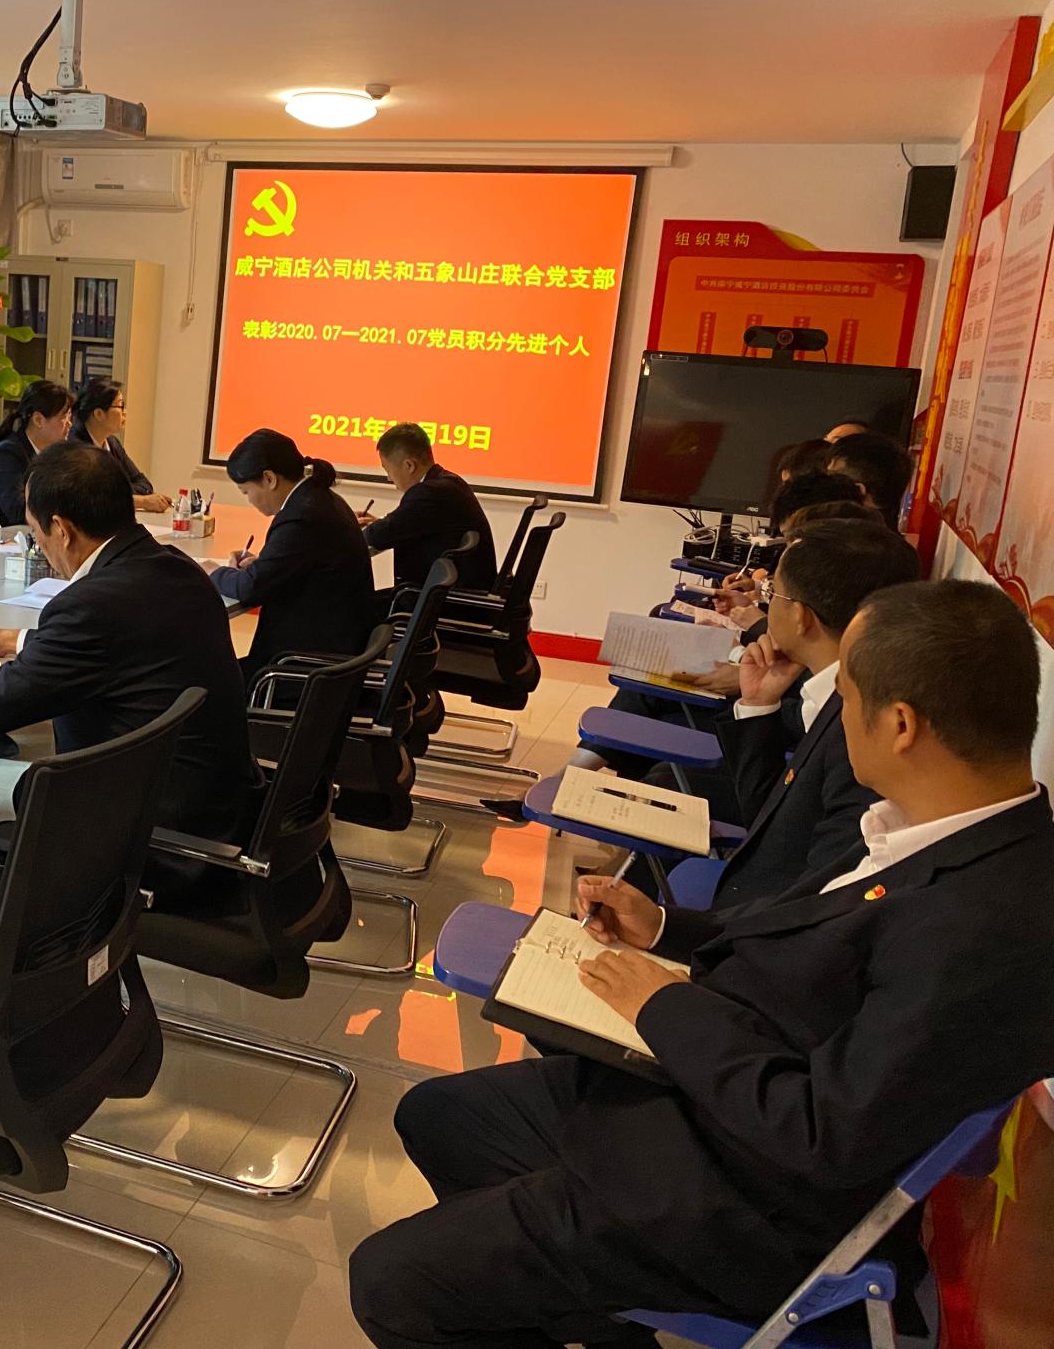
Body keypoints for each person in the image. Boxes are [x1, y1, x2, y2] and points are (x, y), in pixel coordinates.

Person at [349, 578, 1054, 1349]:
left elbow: (822, 1134)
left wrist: (660, 1004)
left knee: (392, 1285)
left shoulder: (985, 921)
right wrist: (663, 929)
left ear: (901, 725)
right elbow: (801, 947)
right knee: (439, 1118)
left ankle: (566, 1279)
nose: (836, 717)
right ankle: (586, 1313)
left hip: (741, 1204)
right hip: (705, 1105)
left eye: (847, 699)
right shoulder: (938, 837)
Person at [0, 441, 259, 845]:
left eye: (36, 531)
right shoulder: (176, 568)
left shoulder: (89, 605)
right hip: (216, 801)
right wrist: (14, 640)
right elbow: (120, 646)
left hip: (151, 828)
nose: (40, 543)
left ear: (61, 529)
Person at [707, 519, 920, 906]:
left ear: (801, 616)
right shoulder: (836, 690)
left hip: (763, 919)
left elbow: (811, 895)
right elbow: (770, 816)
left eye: (772, 592)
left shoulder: (862, 726)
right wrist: (758, 703)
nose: (765, 603)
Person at [204, 428, 374, 681]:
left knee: (205, 680)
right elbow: (300, 563)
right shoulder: (319, 498)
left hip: (305, 665)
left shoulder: (301, 516)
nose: (249, 500)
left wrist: (213, 572)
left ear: (269, 479)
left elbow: (250, 588)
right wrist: (264, 564)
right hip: (333, 648)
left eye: (246, 492)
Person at [358, 421, 496, 599]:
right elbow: (401, 526)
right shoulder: (448, 482)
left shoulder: (429, 493)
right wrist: (380, 524)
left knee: (355, 608)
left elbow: (378, 536)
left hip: (444, 600)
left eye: (388, 470)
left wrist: (349, 531)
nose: (389, 479)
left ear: (409, 465)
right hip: (456, 592)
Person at [0, 379, 73, 529]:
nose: (69, 423)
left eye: (69, 417)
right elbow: (18, 512)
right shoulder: (6, 453)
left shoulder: (56, 453)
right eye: (63, 417)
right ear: (38, 420)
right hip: (3, 535)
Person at [69, 376, 169, 512]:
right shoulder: (75, 447)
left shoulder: (112, 443)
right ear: (99, 414)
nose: (124, 412)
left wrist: (114, 494)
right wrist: (142, 501)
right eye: (120, 406)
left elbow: (143, 484)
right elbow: (91, 497)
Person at [823, 431, 913, 529]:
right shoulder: (888, 532)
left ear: (859, 490)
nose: (821, 483)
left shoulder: (835, 534)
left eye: (831, 476)